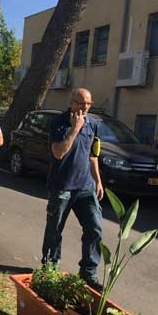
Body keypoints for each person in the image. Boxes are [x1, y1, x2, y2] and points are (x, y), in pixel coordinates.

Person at [41, 87, 104, 292]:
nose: (85, 107)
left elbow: (92, 155)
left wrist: (98, 181)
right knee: (55, 229)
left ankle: (88, 272)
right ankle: (50, 268)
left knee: (95, 228)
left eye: (88, 104)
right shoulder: (59, 122)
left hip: (85, 187)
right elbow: (58, 153)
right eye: (81, 103)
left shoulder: (93, 124)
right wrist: (75, 128)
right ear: (72, 103)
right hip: (62, 187)